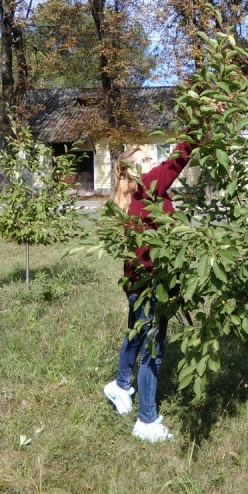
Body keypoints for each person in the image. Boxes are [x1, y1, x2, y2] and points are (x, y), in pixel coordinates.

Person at [103, 141, 195, 442]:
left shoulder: (132, 194)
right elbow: (178, 160)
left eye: (152, 155)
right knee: (153, 349)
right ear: (131, 169)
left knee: (136, 334)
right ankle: (147, 420)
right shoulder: (149, 186)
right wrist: (201, 121)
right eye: (144, 157)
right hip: (153, 284)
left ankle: (119, 385)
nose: (153, 160)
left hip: (137, 283)